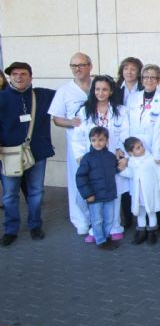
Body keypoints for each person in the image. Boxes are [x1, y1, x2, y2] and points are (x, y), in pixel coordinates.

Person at [0, 62, 56, 247]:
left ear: (30, 77)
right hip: (9, 154)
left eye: (23, 74)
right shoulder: (1, 98)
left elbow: (71, 96)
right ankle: (10, 229)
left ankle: (35, 225)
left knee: (36, 192)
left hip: (37, 153)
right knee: (9, 195)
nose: (18, 77)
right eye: (14, 74)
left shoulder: (43, 95)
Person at [71, 75, 129, 242]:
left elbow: (126, 133)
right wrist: (81, 156)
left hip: (112, 159)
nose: (101, 92)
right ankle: (94, 228)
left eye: (104, 89)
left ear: (111, 91)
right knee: (93, 194)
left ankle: (115, 226)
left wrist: (123, 154)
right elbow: (78, 136)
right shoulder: (84, 111)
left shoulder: (120, 110)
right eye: (97, 89)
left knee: (113, 192)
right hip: (92, 160)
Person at [48, 52, 92, 235]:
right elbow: (56, 119)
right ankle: (80, 220)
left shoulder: (98, 86)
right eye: (73, 65)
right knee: (78, 180)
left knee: (98, 179)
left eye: (81, 65)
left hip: (100, 142)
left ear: (90, 66)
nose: (77, 69)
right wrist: (71, 122)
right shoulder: (64, 90)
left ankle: (98, 217)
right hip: (77, 144)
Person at [127, 64, 160, 230]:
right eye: (146, 77)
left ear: (158, 80)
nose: (149, 80)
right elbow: (128, 124)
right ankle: (141, 224)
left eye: (153, 77)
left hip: (152, 150)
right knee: (138, 188)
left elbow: (159, 130)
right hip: (134, 151)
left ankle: (159, 222)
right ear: (141, 80)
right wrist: (128, 151)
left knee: (154, 187)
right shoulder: (133, 98)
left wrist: (157, 154)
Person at [75, 127, 124, 251]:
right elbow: (81, 177)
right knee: (97, 220)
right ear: (90, 141)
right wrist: (88, 194)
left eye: (101, 140)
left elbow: (113, 170)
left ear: (106, 140)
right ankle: (100, 240)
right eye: (94, 140)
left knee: (109, 219)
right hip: (94, 196)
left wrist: (121, 167)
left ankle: (106, 237)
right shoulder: (87, 158)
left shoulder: (110, 156)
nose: (97, 143)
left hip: (109, 195)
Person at [120, 137, 160, 245]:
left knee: (151, 212)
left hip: (150, 191)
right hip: (138, 193)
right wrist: (122, 170)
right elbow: (131, 174)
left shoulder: (152, 158)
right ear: (131, 152)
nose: (142, 149)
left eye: (141, 146)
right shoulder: (132, 162)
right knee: (140, 213)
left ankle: (152, 232)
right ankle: (141, 232)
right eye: (138, 148)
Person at [114, 56, 144, 230]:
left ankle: (142, 215)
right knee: (123, 180)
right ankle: (127, 217)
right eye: (126, 68)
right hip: (121, 139)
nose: (129, 72)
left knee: (139, 179)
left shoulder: (144, 88)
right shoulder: (116, 90)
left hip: (139, 140)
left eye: (133, 69)